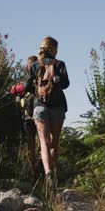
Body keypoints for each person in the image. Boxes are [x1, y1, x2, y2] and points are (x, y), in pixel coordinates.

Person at [24, 36, 70, 193]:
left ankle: (48, 174)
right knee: (54, 143)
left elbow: (26, 86)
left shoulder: (35, 65)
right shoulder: (60, 64)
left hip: (40, 107)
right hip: (57, 108)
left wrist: (37, 92)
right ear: (54, 49)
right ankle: (55, 179)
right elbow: (66, 84)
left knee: (43, 143)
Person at [12, 56, 40, 175]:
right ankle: (39, 168)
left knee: (31, 145)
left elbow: (14, 91)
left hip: (28, 117)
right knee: (43, 143)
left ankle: (33, 169)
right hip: (37, 116)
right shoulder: (40, 79)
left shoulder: (25, 82)